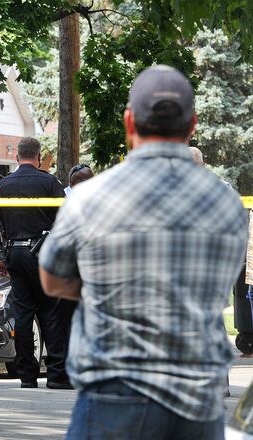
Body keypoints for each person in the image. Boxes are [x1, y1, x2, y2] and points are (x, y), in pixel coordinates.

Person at [39, 65, 248, 439]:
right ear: (192, 124)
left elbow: (52, 278)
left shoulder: (90, 198)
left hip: (115, 395)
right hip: (198, 398)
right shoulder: (228, 204)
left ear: (129, 121)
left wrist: (104, 290)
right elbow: (216, 286)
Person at [0, 136, 72, 389]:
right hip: (44, 254)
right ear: (38, 157)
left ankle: (27, 375)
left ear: (16, 157)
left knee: (23, 314)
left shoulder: (3, 185)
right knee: (52, 313)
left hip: (16, 254)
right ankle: (56, 374)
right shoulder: (49, 182)